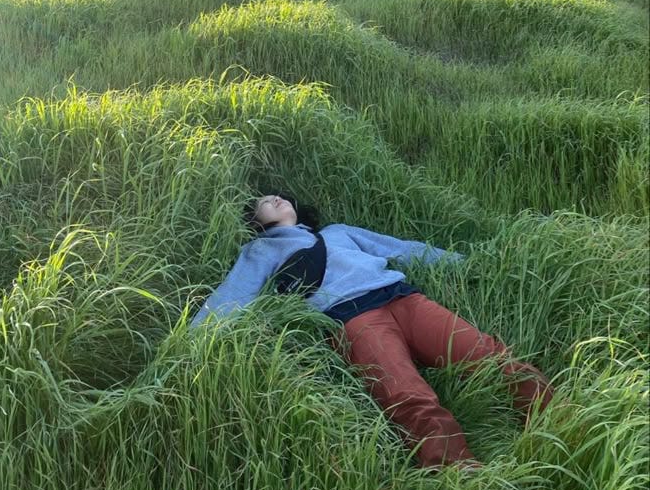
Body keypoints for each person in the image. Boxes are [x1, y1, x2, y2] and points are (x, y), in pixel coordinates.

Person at [189, 192, 554, 469]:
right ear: (254, 221)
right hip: (352, 321)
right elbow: (232, 295)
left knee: (490, 356)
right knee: (409, 399)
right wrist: (189, 344)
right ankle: (466, 482)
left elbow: (403, 250)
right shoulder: (261, 250)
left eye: (279, 195)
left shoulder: (337, 232)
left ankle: (561, 424)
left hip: (404, 300)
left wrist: (473, 262)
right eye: (262, 202)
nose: (274, 197)